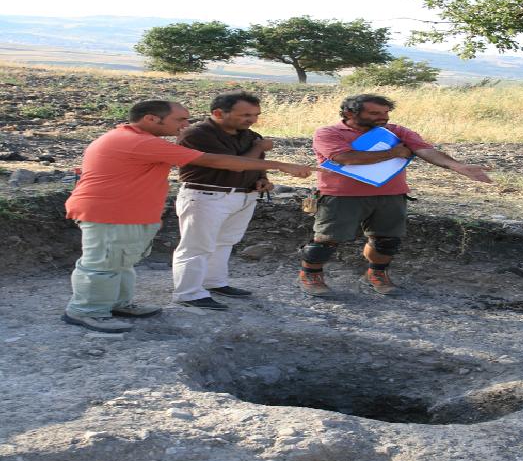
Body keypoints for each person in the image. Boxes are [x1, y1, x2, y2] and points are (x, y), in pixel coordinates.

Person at [64, 99, 312, 333]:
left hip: (130, 213)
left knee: (121, 261)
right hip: (110, 212)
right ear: (151, 119)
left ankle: (117, 304)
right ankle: (87, 311)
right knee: (103, 264)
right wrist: (280, 165)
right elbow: (217, 161)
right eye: (180, 119)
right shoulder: (138, 142)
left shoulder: (139, 139)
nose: (185, 124)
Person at [298, 93, 492, 297]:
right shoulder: (328, 133)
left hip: (391, 194)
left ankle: (376, 275)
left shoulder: (396, 131)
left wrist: (457, 166)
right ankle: (310, 275)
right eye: (374, 113)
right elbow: (345, 158)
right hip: (341, 195)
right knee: (326, 241)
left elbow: (425, 150)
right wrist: (394, 152)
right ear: (349, 113)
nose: (383, 117)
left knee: (386, 241)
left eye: (386, 112)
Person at [171, 91, 274, 310]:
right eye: (245, 115)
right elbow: (234, 164)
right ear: (218, 113)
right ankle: (188, 293)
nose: (252, 120)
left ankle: (214, 282)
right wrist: (258, 147)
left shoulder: (249, 135)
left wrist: (262, 179)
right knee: (196, 246)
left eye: (255, 114)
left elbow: (256, 164)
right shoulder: (196, 134)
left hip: (242, 196)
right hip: (206, 196)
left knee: (225, 242)